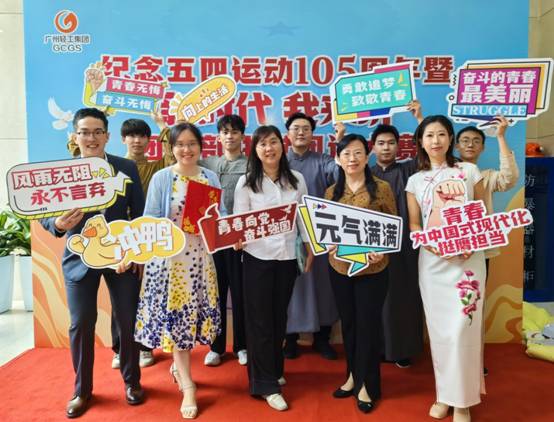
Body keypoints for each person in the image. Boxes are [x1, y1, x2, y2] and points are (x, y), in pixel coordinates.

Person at [41, 108, 145, 418]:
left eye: (97, 131)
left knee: (128, 319)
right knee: (81, 323)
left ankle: (132, 382)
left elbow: (139, 214)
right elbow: (45, 214)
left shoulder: (126, 167)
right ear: (75, 136)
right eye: (84, 132)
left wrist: (136, 253)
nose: (91, 137)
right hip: (79, 258)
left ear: (107, 136)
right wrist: (57, 223)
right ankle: (82, 390)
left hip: (121, 256)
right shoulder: (62, 172)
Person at [134, 122, 223, 419]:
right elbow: (149, 221)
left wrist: (214, 226)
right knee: (177, 326)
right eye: (180, 144)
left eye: (191, 143)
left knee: (190, 325)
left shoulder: (210, 177)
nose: (186, 149)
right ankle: (188, 386)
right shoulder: (162, 178)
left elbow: (218, 218)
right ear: (171, 148)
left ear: (200, 146)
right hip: (169, 265)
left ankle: (179, 368)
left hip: (199, 262)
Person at [406, 115, 486, 422]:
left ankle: (463, 401)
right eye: (429, 135)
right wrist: (432, 245)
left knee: (463, 329)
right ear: (421, 141)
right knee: (440, 333)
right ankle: (444, 395)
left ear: (450, 138)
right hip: (433, 263)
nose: (435, 141)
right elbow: (415, 224)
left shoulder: (469, 171)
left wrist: (471, 243)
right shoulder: (415, 180)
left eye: (441, 134)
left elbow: (482, 215)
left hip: (468, 260)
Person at [233, 125, 311, 411]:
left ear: (282, 144)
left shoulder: (297, 179)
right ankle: (264, 384)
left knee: (279, 317)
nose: (269, 148)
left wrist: (309, 247)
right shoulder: (246, 182)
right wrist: (237, 238)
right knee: (260, 322)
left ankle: (274, 370)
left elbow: (303, 217)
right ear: (255, 150)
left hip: (287, 257)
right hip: (257, 258)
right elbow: (238, 221)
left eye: (274, 142)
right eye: (263, 144)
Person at [326, 133, 397, 414]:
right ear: (338, 159)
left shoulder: (382, 188)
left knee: (368, 325)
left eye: (357, 153)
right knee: (349, 324)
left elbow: (393, 226)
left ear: (367, 157)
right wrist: (328, 244)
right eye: (346, 154)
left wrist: (382, 250)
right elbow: (326, 230)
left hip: (373, 270)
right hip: (340, 269)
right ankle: (352, 376)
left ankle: (368, 384)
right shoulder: (332, 192)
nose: (352, 158)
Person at [455, 115, 519, 377]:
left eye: (476, 141)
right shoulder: (445, 174)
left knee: (472, 306)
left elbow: (510, 178)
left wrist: (501, 136)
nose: (470, 144)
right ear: (456, 146)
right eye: (465, 140)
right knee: (451, 308)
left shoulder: (487, 177)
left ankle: (473, 360)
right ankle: (451, 358)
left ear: (482, 147)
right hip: (448, 252)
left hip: (479, 252)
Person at [111, 115, 174, 370]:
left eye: (141, 136)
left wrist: (163, 127)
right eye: (131, 136)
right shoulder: (112, 167)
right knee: (120, 296)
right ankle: (120, 348)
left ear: (149, 140)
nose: (136, 140)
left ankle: (146, 346)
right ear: (122, 139)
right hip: (119, 237)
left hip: (150, 237)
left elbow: (171, 156)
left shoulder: (157, 168)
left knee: (149, 293)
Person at [284, 112, 339, 360]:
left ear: (312, 134)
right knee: (290, 287)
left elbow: (339, 176)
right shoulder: (279, 161)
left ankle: (322, 338)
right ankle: (290, 339)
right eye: (296, 128)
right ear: (287, 134)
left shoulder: (323, 160)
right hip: (288, 234)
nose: (301, 132)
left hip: (320, 232)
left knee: (323, 286)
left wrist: (340, 142)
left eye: (306, 128)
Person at [199, 114, 248, 367]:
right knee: (215, 294)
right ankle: (216, 347)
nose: (230, 136)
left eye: (234, 131)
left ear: (242, 136)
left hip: (240, 238)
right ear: (218, 137)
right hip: (212, 238)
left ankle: (242, 346)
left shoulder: (251, 165)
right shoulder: (207, 163)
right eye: (225, 132)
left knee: (241, 294)